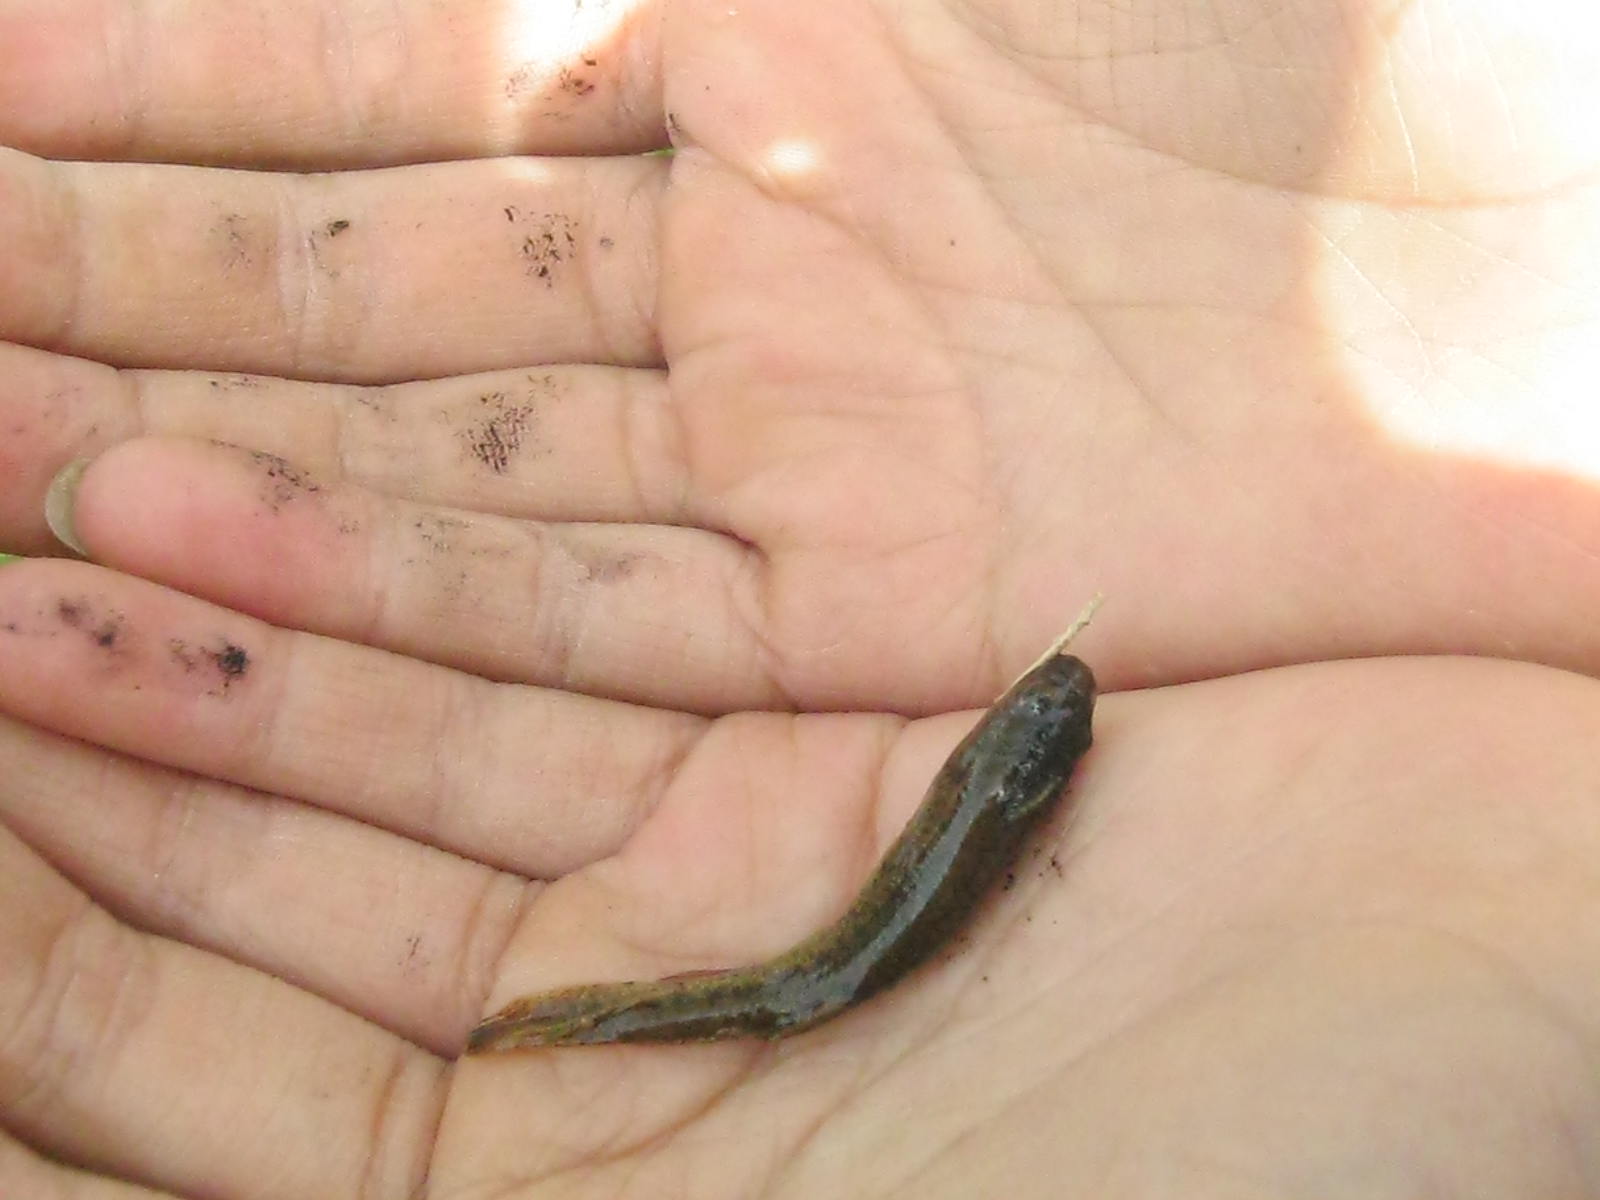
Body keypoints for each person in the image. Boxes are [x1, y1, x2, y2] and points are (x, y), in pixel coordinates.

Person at [1, 1, 1598, 1194]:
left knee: (804, 988)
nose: (1048, 704)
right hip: (830, 961)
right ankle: (571, 1025)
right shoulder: (1017, 760)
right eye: (1037, 719)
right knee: (792, 988)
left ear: (1014, 774)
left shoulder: (1014, 776)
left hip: (837, 968)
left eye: (1039, 728)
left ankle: (568, 1025)